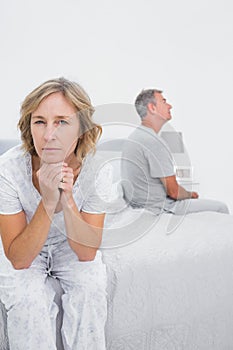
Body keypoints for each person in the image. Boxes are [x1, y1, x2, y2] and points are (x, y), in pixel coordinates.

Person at [0, 77, 112, 350]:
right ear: (29, 127)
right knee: (27, 299)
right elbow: (18, 258)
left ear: (82, 130)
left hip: (70, 245)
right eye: (39, 121)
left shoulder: (99, 170)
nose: (49, 134)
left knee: (91, 289)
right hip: (26, 242)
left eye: (61, 121)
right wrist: (48, 202)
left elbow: (86, 253)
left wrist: (67, 198)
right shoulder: (8, 170)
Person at [121, 88, 229, 216]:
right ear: (152, 108)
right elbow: (173, 192)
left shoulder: (135, 137)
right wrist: (190, 195)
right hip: (160, 207)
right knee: (221, 208)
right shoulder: (154, 141)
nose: (170, 106)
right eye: (164, 101)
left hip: (142, 205)